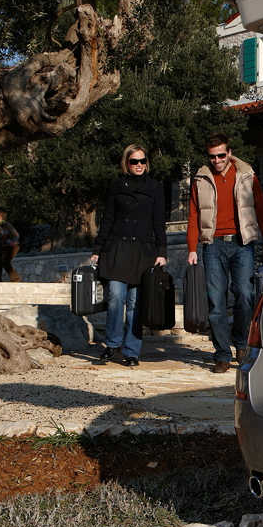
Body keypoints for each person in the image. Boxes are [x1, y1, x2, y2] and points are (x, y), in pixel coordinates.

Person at [187, 133, 263, 373]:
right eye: (212, 156)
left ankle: (240, 344)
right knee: (216, 301)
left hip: (242, 243)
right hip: (212, 245)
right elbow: (194, 214)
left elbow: (260, 208)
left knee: (245, 295)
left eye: (221, 155)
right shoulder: (201, 179)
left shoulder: (247, 175)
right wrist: (192, 248)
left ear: (229, 152)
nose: (217, 160)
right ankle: (222, 355)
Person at [91, 144, 167, 367]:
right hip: (117, 250)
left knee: (135, 303)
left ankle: (132, 350)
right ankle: (112, 344)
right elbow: (107, 219)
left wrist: (161, 253)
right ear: (126, 163)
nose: (139, 165)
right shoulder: (116, 186)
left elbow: (159, 223)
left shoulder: (155, 187)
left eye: (143, 161)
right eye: (134, 161)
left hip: (143, 252)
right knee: (115, 297)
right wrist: (98, 249)